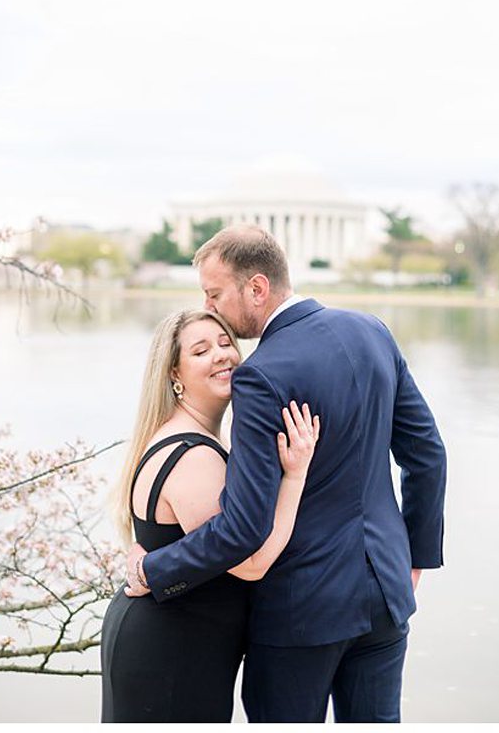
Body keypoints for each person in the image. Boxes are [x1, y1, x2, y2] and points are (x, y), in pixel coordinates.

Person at [127, 226, 446, 724]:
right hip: (388, 596)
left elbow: (243, 527)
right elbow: (426, 454)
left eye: (214, 295)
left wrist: (156, 569)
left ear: (256, 288)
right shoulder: (372, 331)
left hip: (301, 611)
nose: (211, 308)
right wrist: (414, 559)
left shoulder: (261, 374)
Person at [99, 308, 320, 721]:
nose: (221, 355)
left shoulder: (190, 438)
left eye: (225, 344)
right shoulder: (194, 455)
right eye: (201, 351)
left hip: (177, 642)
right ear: (174, 375)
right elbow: (251, 563)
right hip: (172, 650)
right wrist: (295, 475)